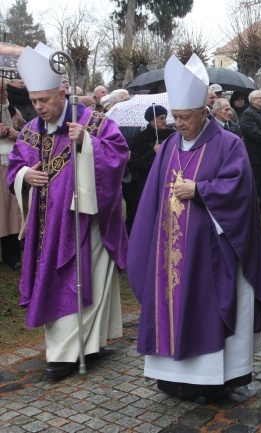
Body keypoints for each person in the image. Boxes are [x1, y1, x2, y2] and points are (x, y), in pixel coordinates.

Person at [127, 54, 261, 399]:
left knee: (205, 310)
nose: (177, 123)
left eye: (184, 117)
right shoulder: (169, 146)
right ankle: (171, 377)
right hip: (170, 253)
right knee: (170, 307)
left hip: (212, 253)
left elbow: (240, 193)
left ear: (203, 113)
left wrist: (201, 191)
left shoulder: (228, 144)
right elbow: (152, 196)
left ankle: (214, 380)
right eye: (174, 116)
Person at [8, 42, 129, 380]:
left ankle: (72, 352)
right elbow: (15, 164)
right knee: (57, 279)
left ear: (62, 94)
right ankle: (68, 349)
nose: (38, 107)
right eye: (34, 101)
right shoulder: (31, 130)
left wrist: (86, 144)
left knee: (79, 282)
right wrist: (23, 175)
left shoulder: (91, 122)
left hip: (86, 221)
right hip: (46, 225)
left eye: (44, 100)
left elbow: (119, 155)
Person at [127, 104, 174, 233]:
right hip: (147, 182)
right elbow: (135, 163)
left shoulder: (173, 135)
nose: (165, 121)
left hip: (168, 180)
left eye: (166, 117)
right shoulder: (139, 138)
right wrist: (153, 152)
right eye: (161, 118)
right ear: (152, 121)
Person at [1, 84, 22, 270]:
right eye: (0, 93)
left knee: (12, 211)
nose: (4, 95)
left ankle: (12, 255)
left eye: (5, 91)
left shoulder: (14, 111)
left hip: (12, 166)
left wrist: (12, 133)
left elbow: (26, 134)